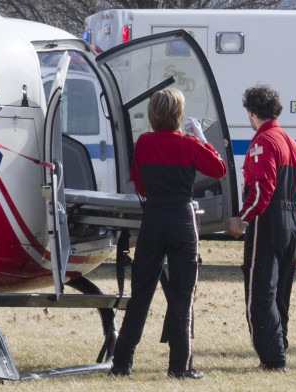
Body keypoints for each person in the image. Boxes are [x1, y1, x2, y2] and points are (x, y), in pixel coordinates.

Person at [110, 88, 226, 379]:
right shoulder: (187, 144)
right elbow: (218, 169)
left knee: (140, 294)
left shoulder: (144, 142)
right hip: (181, 219)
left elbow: (137, 179)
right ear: (179, 114)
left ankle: (122, 363)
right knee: (182, 295)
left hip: (153, 218)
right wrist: (201, 138)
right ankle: (179, 366)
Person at [225, 84, 296, 372]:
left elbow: (260, 189)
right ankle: (279, 346)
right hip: (292, 220)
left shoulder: (263, 142)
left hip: (267, 222)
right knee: (281, 291)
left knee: (260, 292)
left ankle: (272, 358)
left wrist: (242, 218)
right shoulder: (292, 144)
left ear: (252, 112)